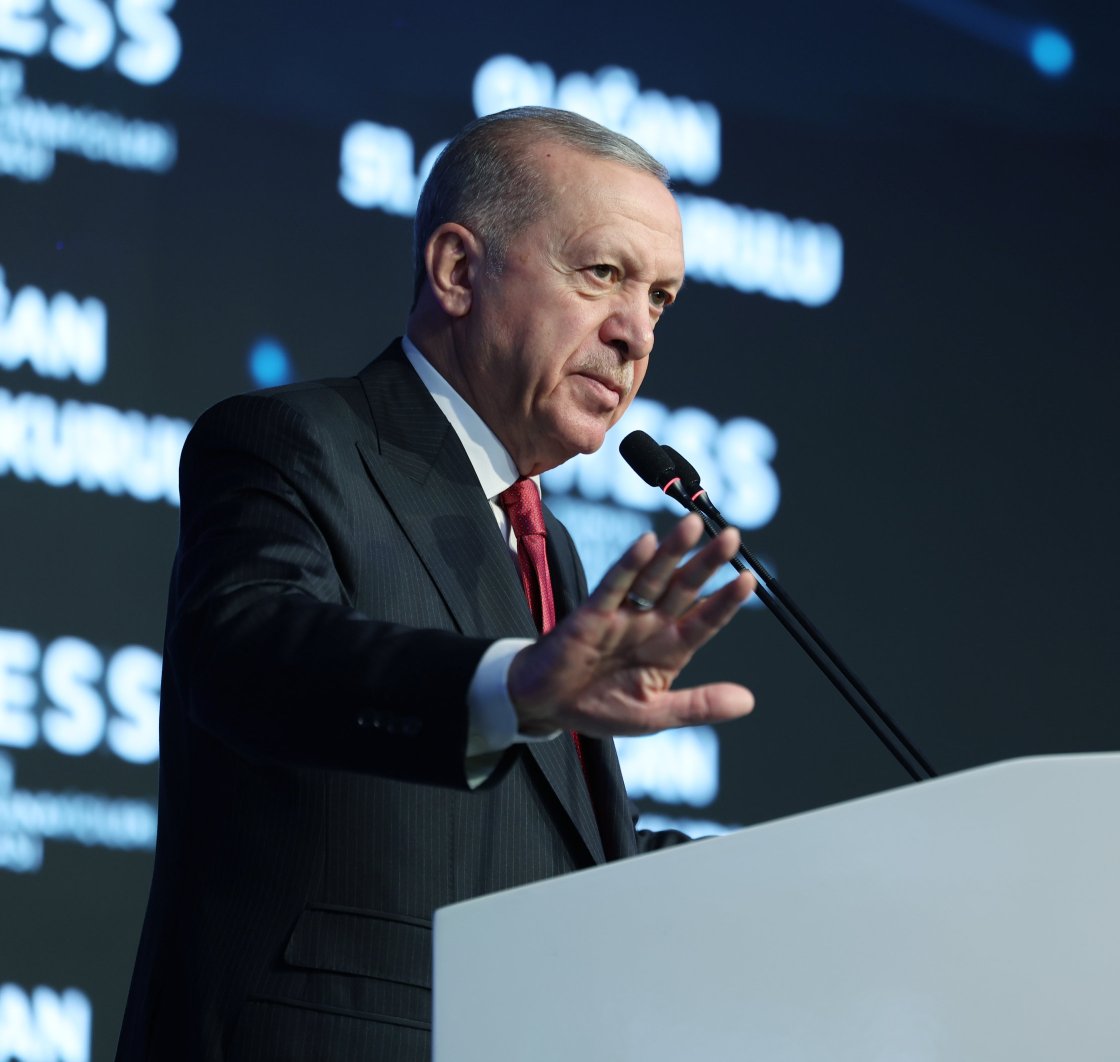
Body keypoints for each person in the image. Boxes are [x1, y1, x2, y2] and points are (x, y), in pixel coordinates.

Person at [114, 107, 757, 1061]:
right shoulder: (297, 444)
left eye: (660, 298)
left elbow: (555, 849)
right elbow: (244, 656)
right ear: (458, 271)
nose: (636, 334)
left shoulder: (549, 546)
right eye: (603, 274)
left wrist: (805, 877)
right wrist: (512, 686)